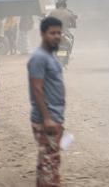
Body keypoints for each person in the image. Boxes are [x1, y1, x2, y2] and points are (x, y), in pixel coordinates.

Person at [28, 16, 67, 187]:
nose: (57, 36)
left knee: (49, 162)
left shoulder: (50, 56)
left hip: (54, 116)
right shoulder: (39, 58)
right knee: (49, 164)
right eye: (52, 33)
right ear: (43, 34)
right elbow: (37, 89)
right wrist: (46, 118)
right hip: (47, 119)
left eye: (59, 32)